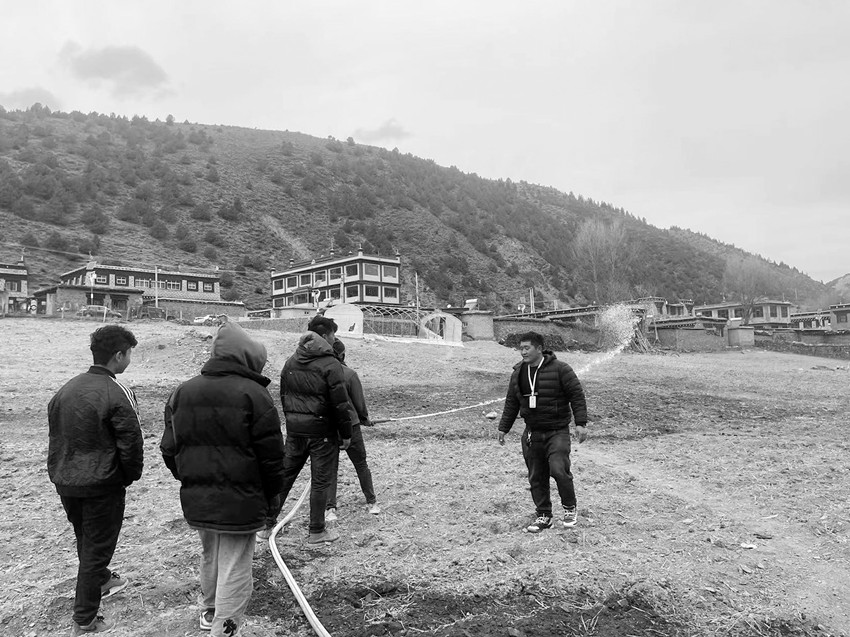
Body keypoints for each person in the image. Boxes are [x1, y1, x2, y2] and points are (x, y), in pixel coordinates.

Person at [161, 321, 284, 637]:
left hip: (199, 498)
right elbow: (272, 458)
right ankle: (225, 629)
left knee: (211, 553)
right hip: (242, 501)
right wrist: (272, 498)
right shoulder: (255, 395)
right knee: (235, 564)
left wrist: (191, 478)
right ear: (247, 358)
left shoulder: (182, 392)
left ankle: (210, 610)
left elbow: (169, 449)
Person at [48, 325, 143, 635]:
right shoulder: (117, 391)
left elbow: (56, 435)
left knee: (87, 538)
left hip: (67, 481)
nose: (130, 359)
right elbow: (131, 441)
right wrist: (128, 476)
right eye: (130, 354)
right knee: (96, 548)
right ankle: (85, 619)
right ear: (119, 355)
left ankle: (102, 579)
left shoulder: (65, 389)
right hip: (102, 485)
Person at [269, 315, 354, 544]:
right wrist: (346, 434)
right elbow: (340, 404)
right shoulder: (331, 364)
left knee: (285, 476)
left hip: (295, 430)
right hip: (322, 433)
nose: (334, 339)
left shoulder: (291, 361)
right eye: (333, 335)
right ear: (325, 336)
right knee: (320, 481)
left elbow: (284, 395)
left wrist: (293, 421)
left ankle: (266, 525)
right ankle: (317, 531)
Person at [497, 331, 588, 533]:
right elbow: (512, 402)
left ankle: (569, 508)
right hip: (532, 433)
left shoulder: (561, 369)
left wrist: (580, 423)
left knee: (558, 469)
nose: (522, 352)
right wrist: (504, 428)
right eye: (520, 348)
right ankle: (544, 515)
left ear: (539, 348)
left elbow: (576, 395)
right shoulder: (518, 373)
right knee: (536, 476)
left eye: (526, 348)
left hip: (557, 431)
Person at [325, 336, 380, 521]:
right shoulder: (349, 374)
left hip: (328, 427)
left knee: (330, 468)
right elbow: (359, 403)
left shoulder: (319, 373)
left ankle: (330, 509)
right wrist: (365, 419)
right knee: (361, 464)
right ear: (342, 354)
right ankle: (372, 502)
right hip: (351, 425)